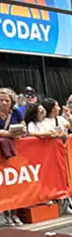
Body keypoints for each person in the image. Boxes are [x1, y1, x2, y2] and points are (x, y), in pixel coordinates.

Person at [0, 88, 26, 227]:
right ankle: (6, 214)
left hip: (15, 152)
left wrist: (22, 129)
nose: (4, 103)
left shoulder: (15, 112)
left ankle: (15, 214)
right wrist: (6, 133)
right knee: (3, 185)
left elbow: (22, 125)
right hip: (1, 153)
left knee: (15, 184)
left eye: (7, 100)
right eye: (1, 100)